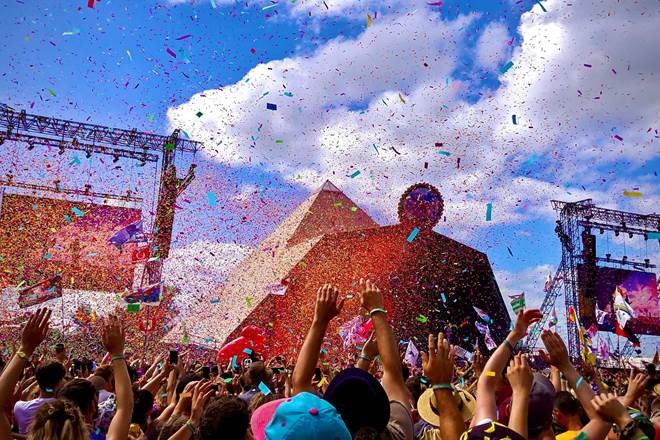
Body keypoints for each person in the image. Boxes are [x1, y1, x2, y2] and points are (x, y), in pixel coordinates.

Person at [292, 280, 415, 439]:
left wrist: (319, 320)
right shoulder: (399, 432)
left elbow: (300, 383)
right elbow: (394, 375)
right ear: (382, 408)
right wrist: (376, 309)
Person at [14, 360, 67, 435]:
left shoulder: (19, 407)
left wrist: (39, 381)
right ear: (59, 382)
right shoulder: (63, 409)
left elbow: (23, 395)